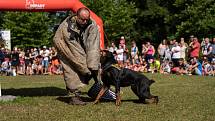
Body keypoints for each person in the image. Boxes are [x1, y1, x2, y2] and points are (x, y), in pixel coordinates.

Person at [53, 7, 100, 105]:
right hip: (63, 43)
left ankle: (100, 87)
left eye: (87, 19)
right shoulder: (67, 27)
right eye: (82, 19)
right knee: (71, 68)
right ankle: (74, 96)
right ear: (77, 17)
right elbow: (76, 53)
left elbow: (93, 47)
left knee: (93, 65)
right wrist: (88, 70)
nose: (85, 21)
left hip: (79, 44)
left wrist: (94, 67)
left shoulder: (92, 25)